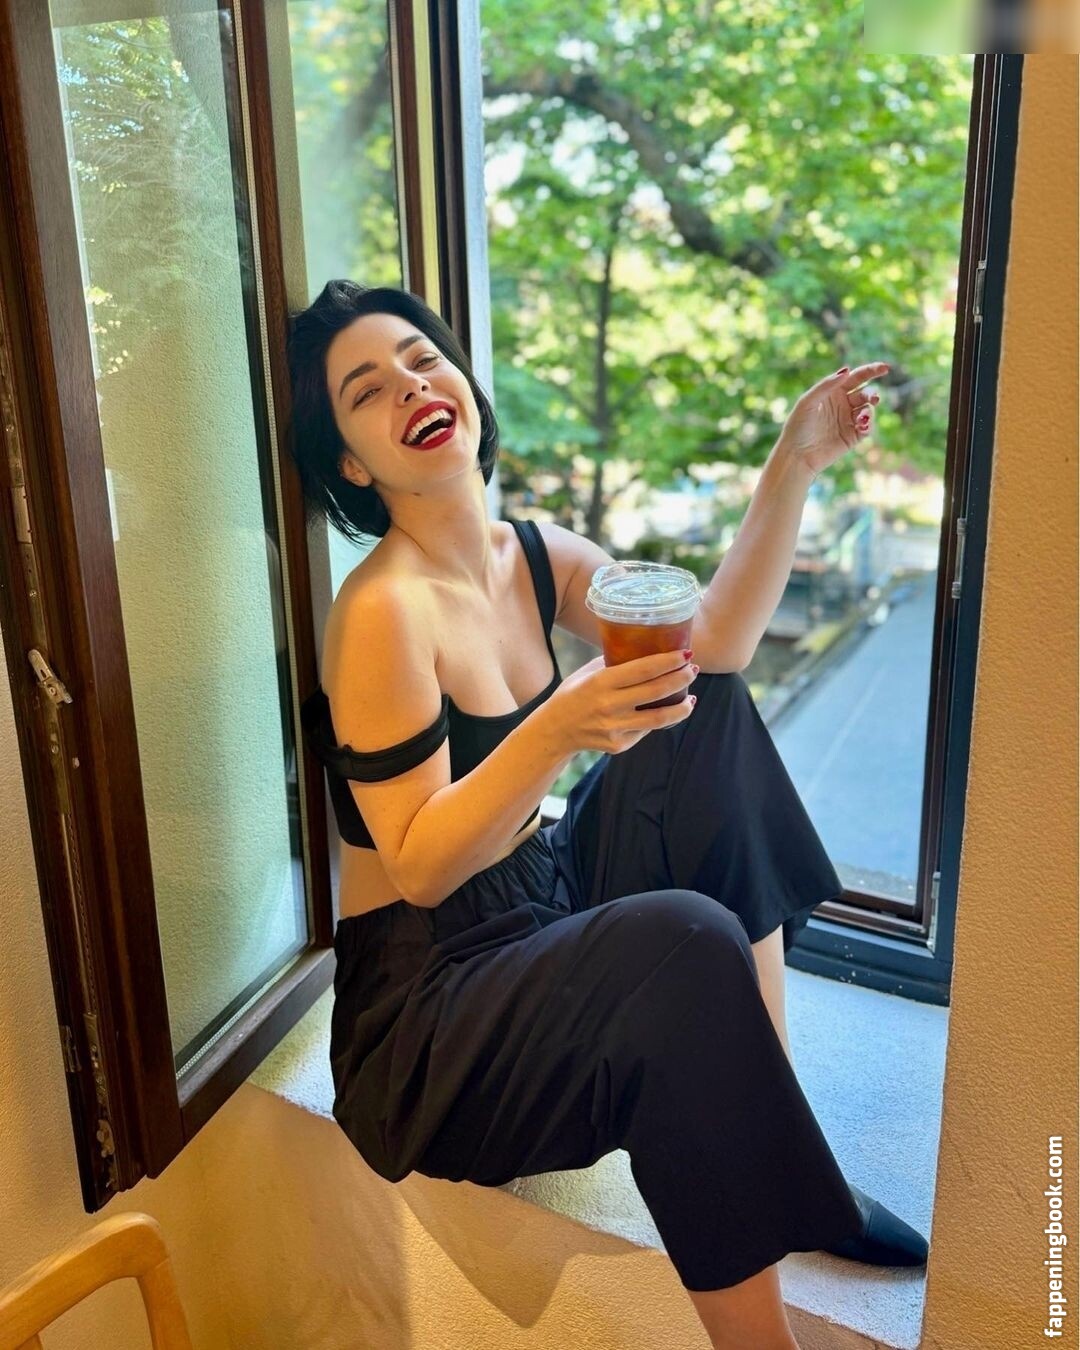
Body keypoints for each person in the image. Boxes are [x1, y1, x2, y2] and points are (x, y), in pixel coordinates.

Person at [286, 280, 927, 1350]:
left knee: (703, 709)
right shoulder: (381, 613)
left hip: (534, 902)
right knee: (681, 938)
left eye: (421, 359)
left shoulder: (531, 554)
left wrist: (795, 463)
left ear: (461, 383)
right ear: (352, 463)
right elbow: (423, 864)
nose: (409, 386)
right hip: (431, 1009)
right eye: (366, 390)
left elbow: (712, 643)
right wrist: (558, 730)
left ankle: (780, 1137)